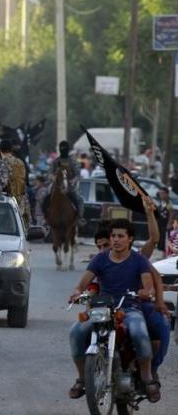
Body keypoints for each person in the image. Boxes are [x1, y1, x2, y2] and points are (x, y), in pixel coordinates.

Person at [68, 219, 161, 403]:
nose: (116, 240)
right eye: (113, 236)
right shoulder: (100, 259)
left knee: (140, 333)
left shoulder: (139, 260)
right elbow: (82, 283)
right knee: (76, 332)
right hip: (102, 309)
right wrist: (77, 292)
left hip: (130, 309)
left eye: (120, 236)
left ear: (130, 239)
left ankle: (147, 378)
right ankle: (81, 379)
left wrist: (146, 292)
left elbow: (149, 287)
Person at [48, 140, 85, 225]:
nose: (63, 150)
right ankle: (45, 218)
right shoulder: (55, 161)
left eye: (64, 148)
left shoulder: (73, 161)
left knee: (79, 200)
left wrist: (73, 181)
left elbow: (77, 175)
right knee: (44, 196)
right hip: (56, 186)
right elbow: (49, 172)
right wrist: (52, 177)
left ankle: (80, 218)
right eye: (62, 148)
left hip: (69, 186)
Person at [0, 140, 30, 225]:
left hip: (9, 203)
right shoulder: (20, 162)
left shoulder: (2, 163)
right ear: (11, 150)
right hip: (22, 202)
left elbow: (2, 183)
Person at [156, 187, 174, 257]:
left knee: (165, 239)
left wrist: (169, 223)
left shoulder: (169, 202)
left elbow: (171, 213)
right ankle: (163, 254)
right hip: (160, 223)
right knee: (161, 239)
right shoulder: (161, 202)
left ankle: (165, 254)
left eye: (163, 193)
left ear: (167, 194)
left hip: (165, 223)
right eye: (160, 193)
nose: (161, 195)